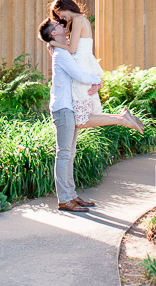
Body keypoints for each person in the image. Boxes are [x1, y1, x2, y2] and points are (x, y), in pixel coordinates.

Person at [38, 16, 144, 213]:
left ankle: (71, 195)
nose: (62, 24)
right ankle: (64, 198)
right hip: (62, 108)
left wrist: (97, 80)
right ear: (53, 33)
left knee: (70, 154)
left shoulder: (63, 50)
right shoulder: (60, 54)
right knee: (64, 154)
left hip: (68, 107)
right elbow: (78, 74)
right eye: (57, 25)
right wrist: (98, 80)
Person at [50, 0, 144, 131]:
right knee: (88, 116)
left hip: (80, 68)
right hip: (86, 66)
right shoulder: (84, 21)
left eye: (60, 14)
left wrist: (53, 43)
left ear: (65, 6)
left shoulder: (77, 21)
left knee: (81, 121)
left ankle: (122, 119)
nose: (61, 18)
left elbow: (71, 49)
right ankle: (122, 117)